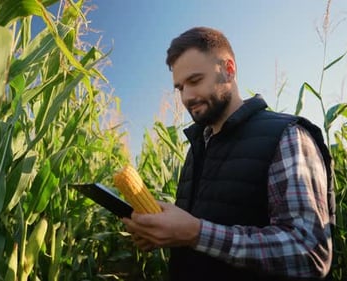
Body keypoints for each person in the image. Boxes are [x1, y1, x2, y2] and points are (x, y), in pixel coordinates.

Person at [122, 27, 335, 281]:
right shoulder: (197, 148)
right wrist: (162, 234)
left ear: (229, 69)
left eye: (195, 80)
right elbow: (196, 239)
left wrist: (196, 233)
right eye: (179, 88)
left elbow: (309, 253)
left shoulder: (286, 136)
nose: (187, 97)